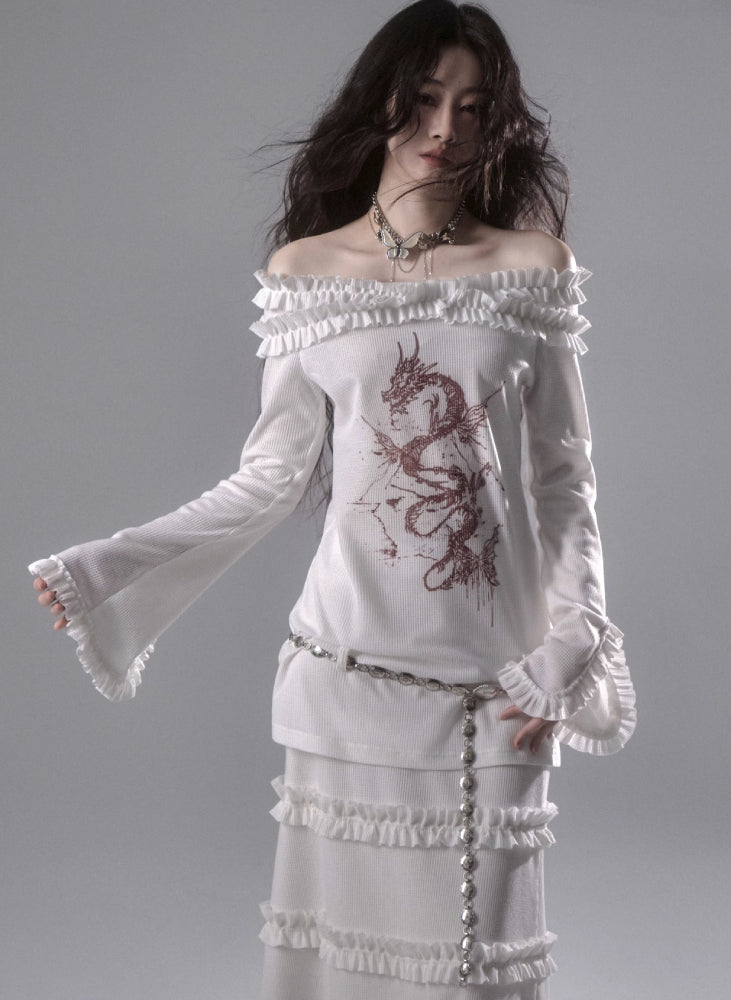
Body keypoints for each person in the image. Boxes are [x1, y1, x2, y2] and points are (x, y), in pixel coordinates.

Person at [30, 2, 636, 997]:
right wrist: (107, 568)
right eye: (425, 100)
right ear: (382, 102)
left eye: (473, 108)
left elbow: (564, 478)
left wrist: (574, 642)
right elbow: (268, 480)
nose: (445, 130)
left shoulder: (531, 269)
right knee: (346, 972)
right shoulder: (307, 275)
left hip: (496, 687)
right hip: (345, 678)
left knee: (479, 971)